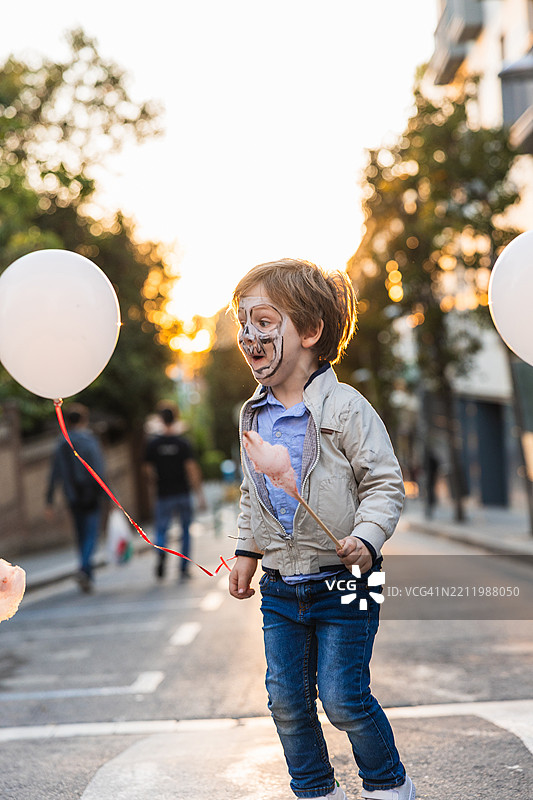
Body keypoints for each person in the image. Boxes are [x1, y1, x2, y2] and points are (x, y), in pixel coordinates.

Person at [228, 259, 415, 800]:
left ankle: (387, 786)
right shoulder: (251, 417)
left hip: (348, 579)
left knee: (343, 698)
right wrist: (246, 549)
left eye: (264, 321)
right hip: (282, 585)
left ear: (309, 332)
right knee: (286, 701)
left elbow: (384, 483)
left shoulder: (346, 407)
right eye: (244, 324)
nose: (250, 336)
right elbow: (251, 493)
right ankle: (314, 790)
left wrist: (368, 536)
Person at [46, 403, 105, 593]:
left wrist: (49, 500)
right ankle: (84, 568)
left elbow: (54, 474)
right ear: (84, 420)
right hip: (91, 494)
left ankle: (86, 572)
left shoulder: (61, 444)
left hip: (72, 496)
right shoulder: (90, 442)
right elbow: (99, 470)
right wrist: (109, 496)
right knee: (91, 535)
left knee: (81, 536)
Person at [144, 405, 206, 580]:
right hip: (183, 493)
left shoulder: (153, 444)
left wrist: (154, 487)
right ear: (176, 418)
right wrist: (200, 495)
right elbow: (191, 469)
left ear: (160, 419)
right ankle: (183, 568)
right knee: (185, 531)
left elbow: (148, 471)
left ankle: (162, 550)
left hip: (163, 494)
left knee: (161, 529)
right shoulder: (183, 443)